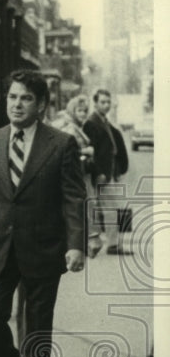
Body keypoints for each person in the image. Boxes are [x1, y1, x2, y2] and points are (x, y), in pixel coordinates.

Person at [0, 70, 87, 357]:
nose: (17, 104)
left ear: (41, 105)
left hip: (43, 248)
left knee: (37, 325)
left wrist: (75, 244)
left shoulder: (61, 143)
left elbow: (73, 198)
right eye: (12, 97)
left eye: (26, 99)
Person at [51, 95, 102, 259]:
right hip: (76, 174)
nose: (83, 114)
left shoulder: (76, 126)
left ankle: (85, 241)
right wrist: (86, 152)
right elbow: (65, 152)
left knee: (86, 205)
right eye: (79, 110)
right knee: (84, 205)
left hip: (82, 172)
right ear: (72, 110)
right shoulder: (70, 128)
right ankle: (85, 241)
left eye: (85, 111)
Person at [83, 89, 130, 255]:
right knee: (106, 208)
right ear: (95, 103)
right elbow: (91, 151)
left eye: (108, 102)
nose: (106, 105)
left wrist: (116, 169)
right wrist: (98, 173)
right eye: (103, 102)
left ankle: (109, 242)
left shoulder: (103, 121)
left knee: (107, 208)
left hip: (107, 173)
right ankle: (111, 244)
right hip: (100, 174)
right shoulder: (91, 123)